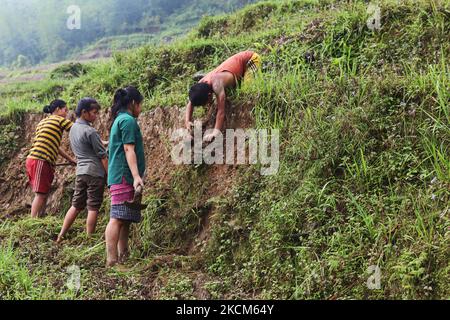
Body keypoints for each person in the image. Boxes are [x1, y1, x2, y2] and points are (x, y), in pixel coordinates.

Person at [57, 98, 108, 243]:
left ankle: (61, 235)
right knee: (93, 207)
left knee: (76, 205)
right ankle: (89, 239)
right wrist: (110, 177)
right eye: (94, 112)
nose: (96, 116)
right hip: (95, 173)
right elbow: (103, 157)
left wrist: (103, 142)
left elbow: (91, 143)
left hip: (80, 172)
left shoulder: (73, 128)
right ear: (84, 112)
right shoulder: (90, 131)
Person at [105, 86, 145, 267]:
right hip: (124, 175)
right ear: (133, 103)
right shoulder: (128, 121)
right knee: (118, 218)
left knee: (125, 218)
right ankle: (112, 260)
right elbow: (128, 149)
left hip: (121, 175)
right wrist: (136, 176)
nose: (141, 108)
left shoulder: (119, 120)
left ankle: (124, 255)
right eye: (141, 104)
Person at [185, 50, 261, 142]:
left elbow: (221, 111)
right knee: (237, 89)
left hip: (250, 59)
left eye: (205, 103)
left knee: (248, 93)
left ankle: (254, 128)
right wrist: (187, 121)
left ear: (209, 95)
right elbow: (190, 102)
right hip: (235, 69)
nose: (206, 105)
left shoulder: (217, 85)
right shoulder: (201, 83)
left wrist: (215, 132)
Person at [26, 99, 76, 218]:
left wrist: (70, 160)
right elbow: (79, 130)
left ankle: (38, 219)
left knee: (43, 193)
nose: (66, 113)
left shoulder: (43, 122)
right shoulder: (59, 119)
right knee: (40, 194)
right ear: (57, 109)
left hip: (35, 160)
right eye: (65, 110)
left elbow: (55, 147)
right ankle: (33, 222)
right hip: (40, 159)